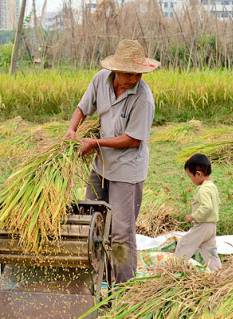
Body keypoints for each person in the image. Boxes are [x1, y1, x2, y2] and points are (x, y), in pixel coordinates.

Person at [63, 39, 160, 283]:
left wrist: (94, 143)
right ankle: (101, 279)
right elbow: (83, 108)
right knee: (93, 223)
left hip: (127, 170)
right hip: (100, 166)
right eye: (129, 74)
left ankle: (124, 288)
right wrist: (72, 130)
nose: (134, 79)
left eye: (138, 74)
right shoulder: (100, 80)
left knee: (120, 232)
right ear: (115, 70)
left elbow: (133, 140)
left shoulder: (143, 98)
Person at [175, 154, 222, 272]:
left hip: (203, 225)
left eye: (191, 177)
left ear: (198, 174)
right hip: (212, 226)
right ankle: (218, 272)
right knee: (210, 252)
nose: (191, 180)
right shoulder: (212, 187)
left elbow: (207, 207)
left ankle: (175, 268)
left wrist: (193, 216)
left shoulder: (202, 190)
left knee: (184, 245)